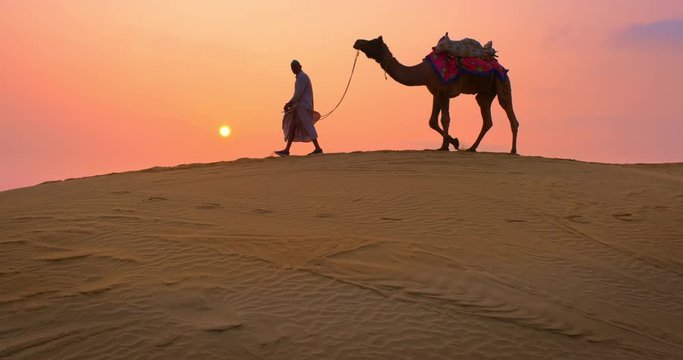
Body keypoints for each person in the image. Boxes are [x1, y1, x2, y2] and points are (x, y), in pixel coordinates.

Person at [275, 60, 323, 156]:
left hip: (303, 106)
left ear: (300, 66)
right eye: (292, 67)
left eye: (294, 67)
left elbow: (298, 94)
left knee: (308, 125)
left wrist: (289, 103)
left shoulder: (302, 77)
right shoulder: (300, 77)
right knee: (293, 126)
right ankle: (287, 150)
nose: (293, 69)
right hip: (300, 106)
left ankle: (318, 148)